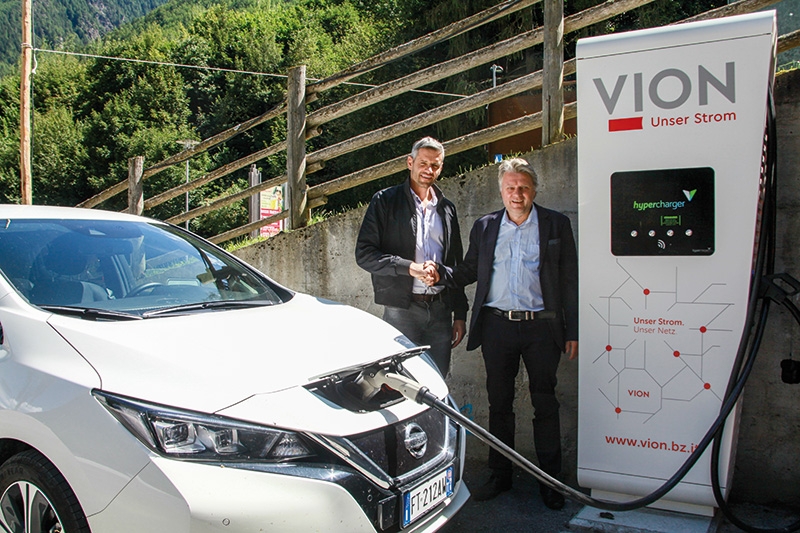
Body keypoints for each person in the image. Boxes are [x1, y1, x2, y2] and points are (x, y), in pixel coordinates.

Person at [431, 157, 578, 510]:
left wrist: (573, 330)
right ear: (501, 190)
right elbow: (468, 269)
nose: (517, 194)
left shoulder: (556, 224)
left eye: (523, 187)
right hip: (497, 326)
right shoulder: (485, 226)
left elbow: (570, 281)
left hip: (543, 327)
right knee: (499, 404)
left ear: (534, 190)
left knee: (545, 402)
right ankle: (500, 475)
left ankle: (550, 481)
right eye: (511, 187)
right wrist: (439, 273)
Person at [355, 137, 468, 376]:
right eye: (423, 163)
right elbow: (364, 255)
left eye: (435, 165)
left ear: (441, 168)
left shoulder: (447, 209)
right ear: (410, 162)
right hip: (401, 311)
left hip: (440, 311)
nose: (429, 170)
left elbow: (455, 263)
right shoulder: (385, 201)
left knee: (438, 381)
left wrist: (459, 314)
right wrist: (410, 268)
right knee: (399, 381)